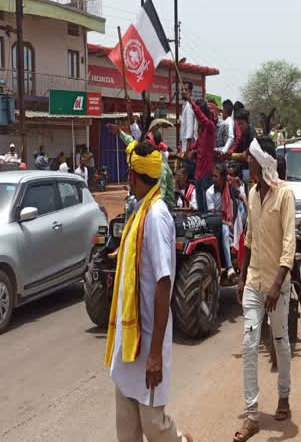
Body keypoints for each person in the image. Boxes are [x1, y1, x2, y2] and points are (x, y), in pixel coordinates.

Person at [105, 140, 193, 442]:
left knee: (153, 423)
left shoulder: (155, 216)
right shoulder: (139, 211)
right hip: (129, 341)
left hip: (147, 341)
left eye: (130, 173)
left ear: (133, 176)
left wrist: (155, 352)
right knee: (126, 424)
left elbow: (163, 283)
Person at [234, 136, 295, 442]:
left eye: (252, 161)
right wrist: (242, 276)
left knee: (281, 342)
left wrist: (277, 284)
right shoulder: (253, 193)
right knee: (248, 344)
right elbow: (249, 237)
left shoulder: (285, 194)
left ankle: (284, 396)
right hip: (254, 282)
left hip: (277, 287)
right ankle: (253, 414)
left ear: (265, 162)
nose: (249, 166)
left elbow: (289, 243)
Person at [276, 155, 301, 345]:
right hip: (273, 247)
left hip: (288, 245)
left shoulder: (287, 192)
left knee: (297, 285)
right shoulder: (271, 191)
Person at [109, 123, 176, 210]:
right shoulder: (145, 154)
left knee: (131, 206)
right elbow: (130, 141)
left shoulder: (159, 164)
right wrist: (119, 132)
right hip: (151, 198)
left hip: (163, 202)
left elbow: (161, 194)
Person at [206, 164, 234, 277]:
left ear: (222, 178)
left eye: (216, 176)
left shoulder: (229, 188)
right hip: (218, 223)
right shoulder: (209, 192)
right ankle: (229, 266)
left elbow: (239, 198)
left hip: (231, 219)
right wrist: (227, 223)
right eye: (212, 176)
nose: (213, 179)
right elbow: (213, 216)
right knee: (225, 230)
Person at [188, 97, 216, 213]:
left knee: (206, 207)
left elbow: (203, 119)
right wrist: (189, 149)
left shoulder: (210, 127)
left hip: (206, 173)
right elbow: (196, 145)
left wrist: (191, 102)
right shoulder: (202, 131)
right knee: (200, 207)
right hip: (198, 173)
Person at [229, 108, 256, 183]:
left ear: (247, 122)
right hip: (241, 165)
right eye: (238, 124)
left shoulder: (251, 133)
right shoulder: (239, 133)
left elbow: (253, 148)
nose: (239, 126)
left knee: (247, 183)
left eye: (241, 123)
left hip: (250, 167)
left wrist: (246, 153)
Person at [179, 82, 196, 156]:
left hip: (188, 147)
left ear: (190, 92)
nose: (183, 92)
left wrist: (187, 149)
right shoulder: (184, 105)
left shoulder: (189, 106)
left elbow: (189, 129)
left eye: (185, 89)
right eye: (182, 89)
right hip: (184, 146)